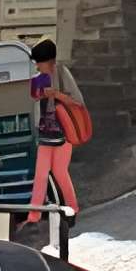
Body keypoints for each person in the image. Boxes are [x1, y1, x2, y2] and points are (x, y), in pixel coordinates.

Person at [20, 39, 85, 239]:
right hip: (46, 132)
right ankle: (34, 216)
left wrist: (56, 94)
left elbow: (77, 101)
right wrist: (39, 91)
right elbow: (34, 96)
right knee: (40, 174)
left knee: (60, 173)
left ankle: (72, 209)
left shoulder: (63, 74)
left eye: (39, 62)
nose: (37, 66)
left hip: (64, 132)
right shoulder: (39, 77)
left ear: (49, 61)